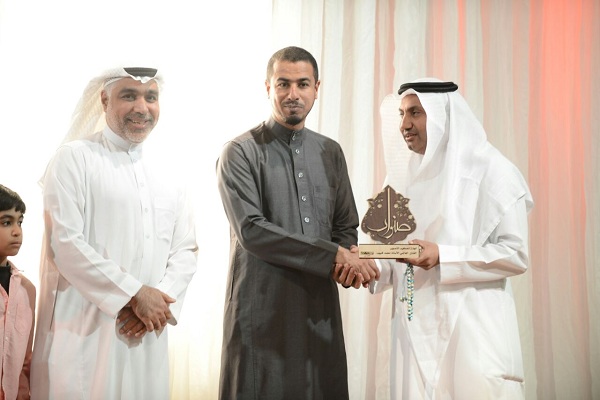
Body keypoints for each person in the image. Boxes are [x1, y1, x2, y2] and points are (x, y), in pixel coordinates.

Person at [216, 46, 379, 400]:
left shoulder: (330, 152)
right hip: (262, 313)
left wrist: (348, 261)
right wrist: (334, 256)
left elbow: (345, 226)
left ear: (317, 88)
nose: (293, 94)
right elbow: (252, 231)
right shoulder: (239, 152)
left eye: (303, 84)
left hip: (319, 314)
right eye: (283, 84)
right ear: (268, 87)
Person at [31, 67, 198, 399]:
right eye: (129, 95)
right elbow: (64, 244)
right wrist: (134, 294)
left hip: (147, 330)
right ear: (104, 100)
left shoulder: (169, 173)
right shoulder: (74, 159)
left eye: (151, 97)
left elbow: (186, 250)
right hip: (85, 333)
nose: (142, 107)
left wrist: (158, 303)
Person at [368, 78, 534, 399]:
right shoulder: (398, 177)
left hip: (472, 332)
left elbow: (516, 254)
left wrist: (443, 256)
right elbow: (389, 255)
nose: (404, 125)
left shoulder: (493, 171)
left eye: (415, 113)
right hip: (412, 330)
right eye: (401, 114)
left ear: (442, 116)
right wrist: (366, 266)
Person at [0, 185, 36, 400]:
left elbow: (25, 362)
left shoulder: (26, 290)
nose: (17, 231)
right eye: (6, 222)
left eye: (19, 222)